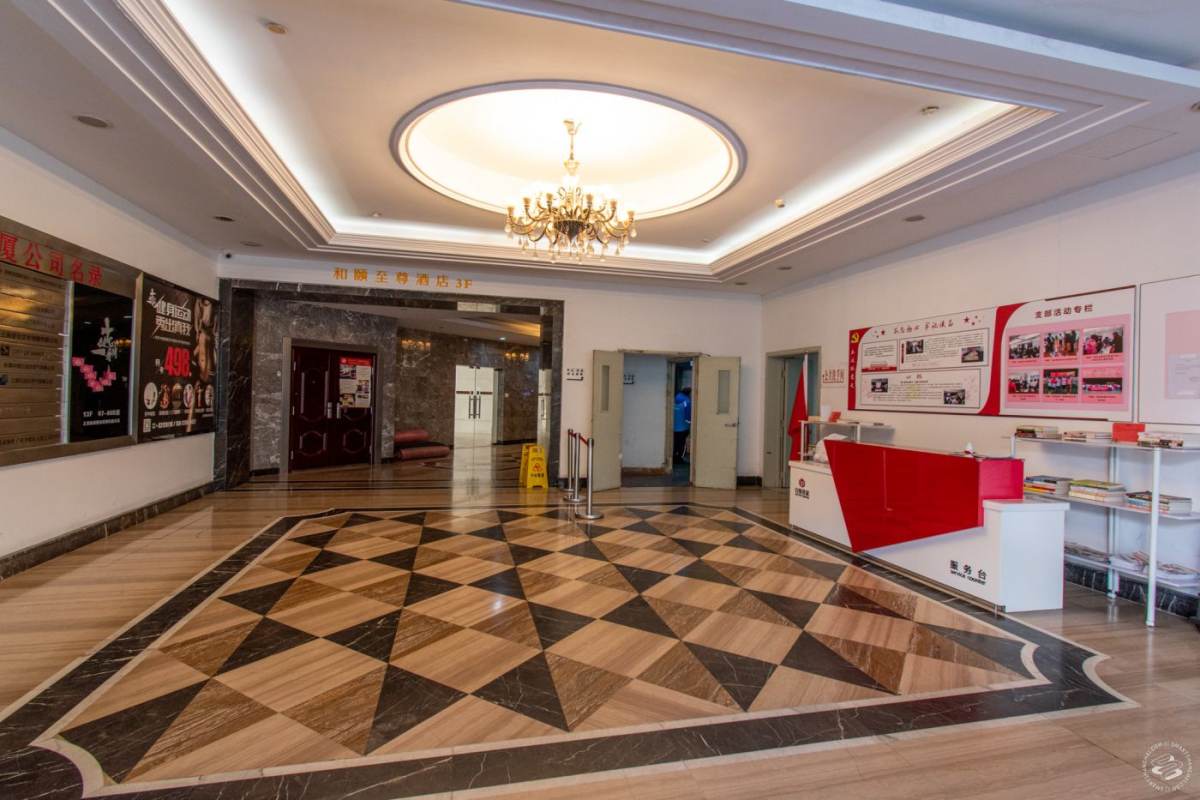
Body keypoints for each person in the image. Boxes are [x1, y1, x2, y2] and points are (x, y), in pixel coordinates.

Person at [673, 387, 691, 463]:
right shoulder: (687, 402)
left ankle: (674, 457)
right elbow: (688, 418)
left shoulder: (674, 398)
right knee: (682, 443)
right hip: (683, 428)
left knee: (675, 442)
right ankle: (680, 458)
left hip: (673, 427)